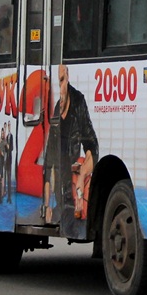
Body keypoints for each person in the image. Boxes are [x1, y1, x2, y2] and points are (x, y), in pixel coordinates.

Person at [42, 64, 98, 238]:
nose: (61, 88)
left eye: (62, 81)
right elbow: (48, 165)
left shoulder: (78, 102)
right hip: (61, 192)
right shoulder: (57, 109)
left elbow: (92, 146)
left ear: (67, 76)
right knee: (64, 219)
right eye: (57, 84)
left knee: (75, 225)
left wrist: (81, 178)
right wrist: (46, 207)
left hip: (74, 190)